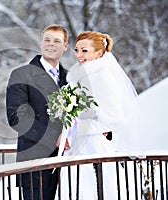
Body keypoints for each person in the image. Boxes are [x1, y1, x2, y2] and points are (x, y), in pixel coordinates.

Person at [60, 31, 139, 199]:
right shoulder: (78, 76)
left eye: (84, 51)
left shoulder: (103, 76)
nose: (79, 55)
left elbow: (113, 112)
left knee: (103, 182)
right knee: (79, 182)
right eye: (76, 50)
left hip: (96, 138)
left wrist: (87, 113)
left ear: (99, 53)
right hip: (79, 138)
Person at [6, 24, 69, 200]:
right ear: (41, 43)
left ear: (65, 46)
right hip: (35, 165)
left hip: (68, 165)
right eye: (47, 39)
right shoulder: (21, 75)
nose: (51, 44)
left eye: (57, 41)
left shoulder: (70, 78)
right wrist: (55, 139)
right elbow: (17, 118)